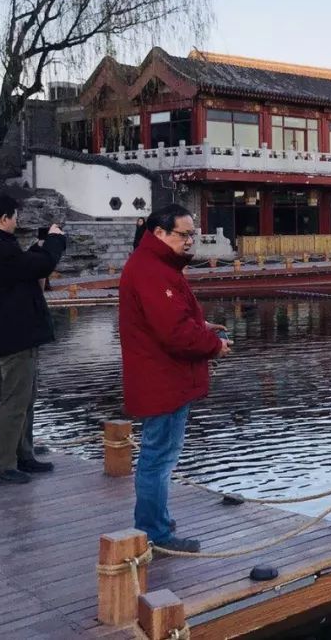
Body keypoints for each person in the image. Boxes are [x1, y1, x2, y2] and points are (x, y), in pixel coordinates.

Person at [119, 204, 231, 553]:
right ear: (160, 234)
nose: (190, 240)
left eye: (192, 234)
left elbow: (173, 321)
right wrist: (214, 345)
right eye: (184, 234)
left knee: (159, 455)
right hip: (162, 379)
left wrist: (202, 327)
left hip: (162, 377)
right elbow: (174, 334)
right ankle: (154, 532)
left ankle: (157, 522)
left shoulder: (155, 265)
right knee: (158, 457)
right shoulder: (152, 271)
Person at [0, 194, 66, 484]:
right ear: (4, 218)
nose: (17, 221)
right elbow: (37, 267)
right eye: (15, 216)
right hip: (13, 331)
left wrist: (36, 249)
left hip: (18, 329)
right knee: (15, 399)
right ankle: (0, 465)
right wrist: (55, 242)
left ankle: (23, 455)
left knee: (26, 396)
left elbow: (22, 267)